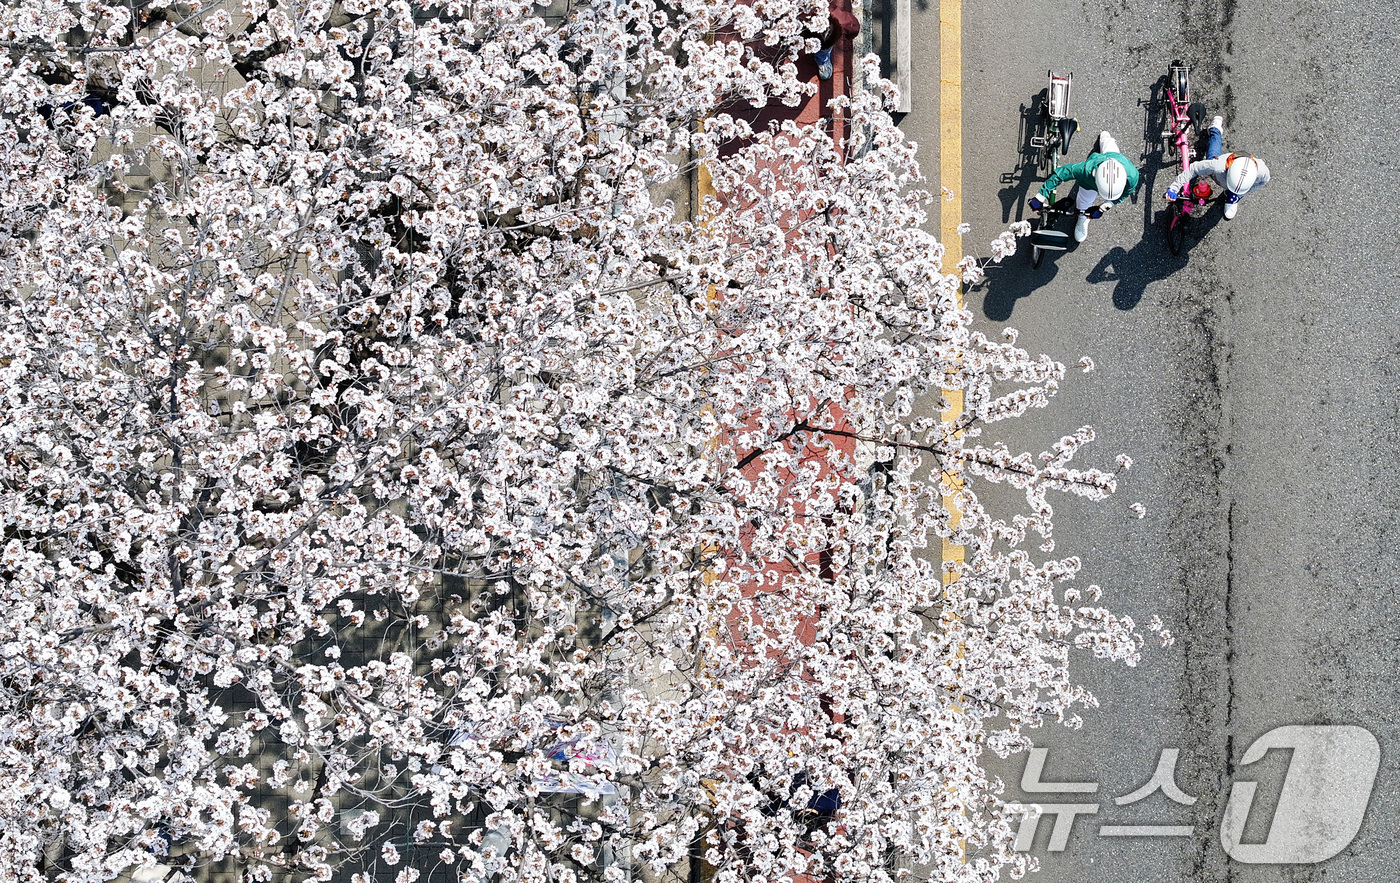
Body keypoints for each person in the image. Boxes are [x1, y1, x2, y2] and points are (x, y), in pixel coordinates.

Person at [1028, 131, 1141, 242]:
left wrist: (1105, 205)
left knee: (1110, 145)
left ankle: (1105, 139)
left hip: (1115, 157)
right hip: (1089, 181)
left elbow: (1126, 192)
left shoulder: (1132, 176)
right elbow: (1061, 173)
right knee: (1084, 201)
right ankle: (1082, 216)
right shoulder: (1085, 170)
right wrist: (1040, 196)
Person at [1165, 116, 1269, 219]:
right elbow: (1194, 168)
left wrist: (1239, 194)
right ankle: (1215, 129)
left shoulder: (1263, 172)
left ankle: (1234, 197)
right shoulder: (1217, 166)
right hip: (1218, 163)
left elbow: (1264, 181)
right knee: (1213, 153)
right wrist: (1175, 187)